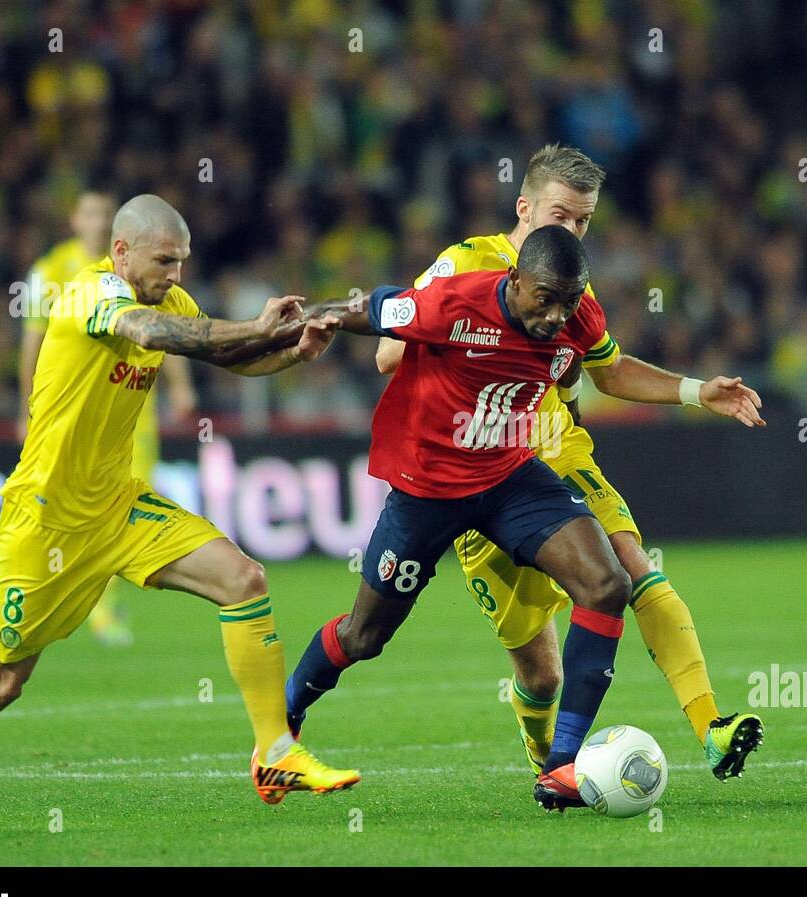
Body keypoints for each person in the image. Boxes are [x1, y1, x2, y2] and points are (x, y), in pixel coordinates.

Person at [0, 195, 352, 840]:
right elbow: (156, 335)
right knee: (1, 681)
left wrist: (293, 350)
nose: (177, 276)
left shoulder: (168, 299)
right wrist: (257, 324)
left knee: (243, 578)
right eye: (165, 261)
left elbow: (224, 356)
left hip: (119, 505)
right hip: (45, 521)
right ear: (121, 251)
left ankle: (275, 753)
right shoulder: (88, 296)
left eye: (183, 262)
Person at [252, 225, 764, 809]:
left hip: (507, 476)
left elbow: (612, 371)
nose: (554, 315)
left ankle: (562, 767)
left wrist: (700, 392)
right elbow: (364, 309)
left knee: (606, 584)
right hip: (427, 486)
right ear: (515, 280)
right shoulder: (454, 303)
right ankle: (280, 725)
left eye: (568, 301)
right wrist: (299, 323)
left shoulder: (577, 318)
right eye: (544, 298)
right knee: (364, 636)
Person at [374, 144, 764, 783]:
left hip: (554, 451)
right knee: (539, 669)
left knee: (631, 567)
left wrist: (697, 391)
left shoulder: (571, 283)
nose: (573, 232)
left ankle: (711, 727)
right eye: (562, 216)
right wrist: (459, 332)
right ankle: (545, 759)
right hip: (475, 470)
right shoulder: (465, 264)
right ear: (524, 207)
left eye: (584, 221)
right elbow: (388, 356)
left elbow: (605, 372)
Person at [18, 190, 198, 647]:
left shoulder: (144, 274)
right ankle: (72, 598)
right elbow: (33, 344)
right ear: (75, 220)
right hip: (79, 413)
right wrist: (27, 407)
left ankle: (106, 601)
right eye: (91, 213)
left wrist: (179, 386)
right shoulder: (52, 273)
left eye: (105, 213)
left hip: (133, 411)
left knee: (126, 501)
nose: (98, 221)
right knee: (78, 508)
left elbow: (167, 330)